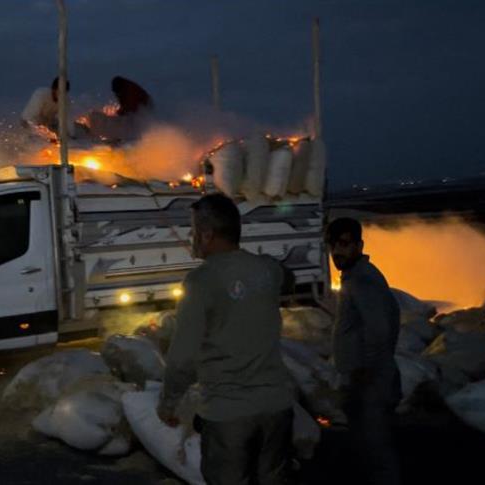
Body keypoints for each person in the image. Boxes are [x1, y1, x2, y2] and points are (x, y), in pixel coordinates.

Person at [157, 193, 294, 485]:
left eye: (193, 230)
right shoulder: (267, 269)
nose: (191, 237)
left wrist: (169, 404)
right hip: (277, 408)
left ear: (206, 235)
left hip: (228, 413)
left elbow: (183, 357)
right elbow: (287, 276)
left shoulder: (200, 281)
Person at [326, 217, 402, 485]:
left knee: (377, 453)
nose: (338, 251)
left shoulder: (362, 280)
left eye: (345, 244)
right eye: (333, 245)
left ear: (359, 245)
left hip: (369, 382)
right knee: (368, 451)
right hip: (364, 378)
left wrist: (364, 373)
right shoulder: (355, 277)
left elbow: (380, 330)